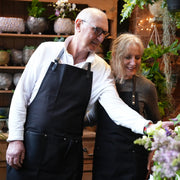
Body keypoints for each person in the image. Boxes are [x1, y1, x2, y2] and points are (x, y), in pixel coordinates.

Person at [6, 8, 173, 180]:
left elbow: (116, 108)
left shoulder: (101, 68)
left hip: (67, 156)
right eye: (97, 30)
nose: (100, 38)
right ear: (78, 25)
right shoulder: (46, 50)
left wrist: (149, 127)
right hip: (30, 149)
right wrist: (15, 139)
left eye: (104, 34)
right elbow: (21, 96)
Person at [92, 33, 160, 180]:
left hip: (134, 162)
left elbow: (155, 124)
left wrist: (153, 152)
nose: (133, 62)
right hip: (105, 159)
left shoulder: (147, 87)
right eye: (128, 57)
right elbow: (91, 117)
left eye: (137, 57)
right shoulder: (102, 82)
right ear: (116, 55)